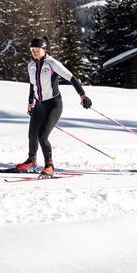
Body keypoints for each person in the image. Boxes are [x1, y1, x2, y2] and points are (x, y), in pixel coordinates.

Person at [15, 36, 92, 176]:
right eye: (32, 50)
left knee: (42, 136)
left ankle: (49, 165)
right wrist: (30, 102)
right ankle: (31, 160)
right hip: (39, 105)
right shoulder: (31, 65)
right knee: (32, 134)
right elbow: (32, 85)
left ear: (44, 49)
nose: (33, 52)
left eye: (36, 50)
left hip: (53, 105)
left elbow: (71, 77)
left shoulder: (52, 63)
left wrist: (83, 95)